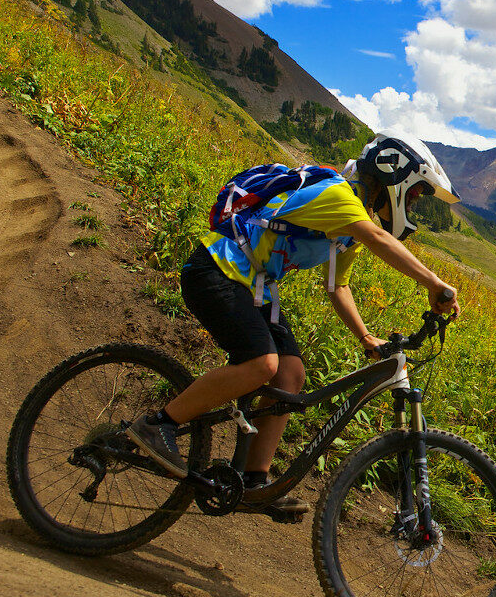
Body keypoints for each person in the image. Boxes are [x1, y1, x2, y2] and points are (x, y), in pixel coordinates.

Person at [128, 133, 462, 515]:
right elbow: (376, 238)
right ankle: (159, 424)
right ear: (394, 174)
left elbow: (338, 286)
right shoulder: (339, 197)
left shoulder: (350, 227)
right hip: (217, 269)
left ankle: (255, 482)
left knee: (290, 375)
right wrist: (434, 282)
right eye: (417, 192)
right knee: (262, 365)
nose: (415, 202)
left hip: (254, 286)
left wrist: (367, 337)